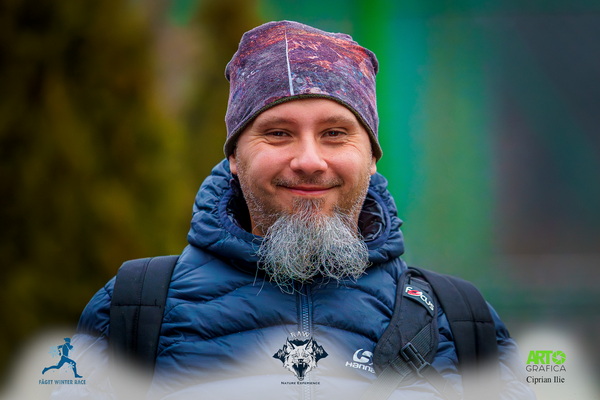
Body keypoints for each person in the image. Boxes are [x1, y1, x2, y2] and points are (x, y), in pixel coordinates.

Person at [58, 20, 535, 400]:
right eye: (278, 133)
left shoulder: (461, 321)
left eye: (335, 134)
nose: (309, 160)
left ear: (372, 157)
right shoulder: (135, 310)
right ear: (234, 156)